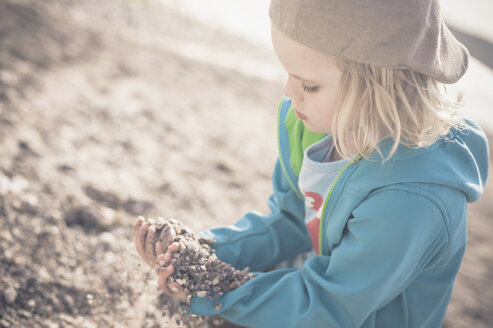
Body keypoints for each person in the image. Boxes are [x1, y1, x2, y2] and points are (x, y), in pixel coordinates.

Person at [134, 0, 489, 327]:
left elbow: (331, 304)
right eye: (287, 73)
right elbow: (292, 220)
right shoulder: (308, 124)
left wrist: (218, 291)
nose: (289, 92)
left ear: (381, 88)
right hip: (304, 296)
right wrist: (202, 254)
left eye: (309, 85)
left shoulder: (413, 199)